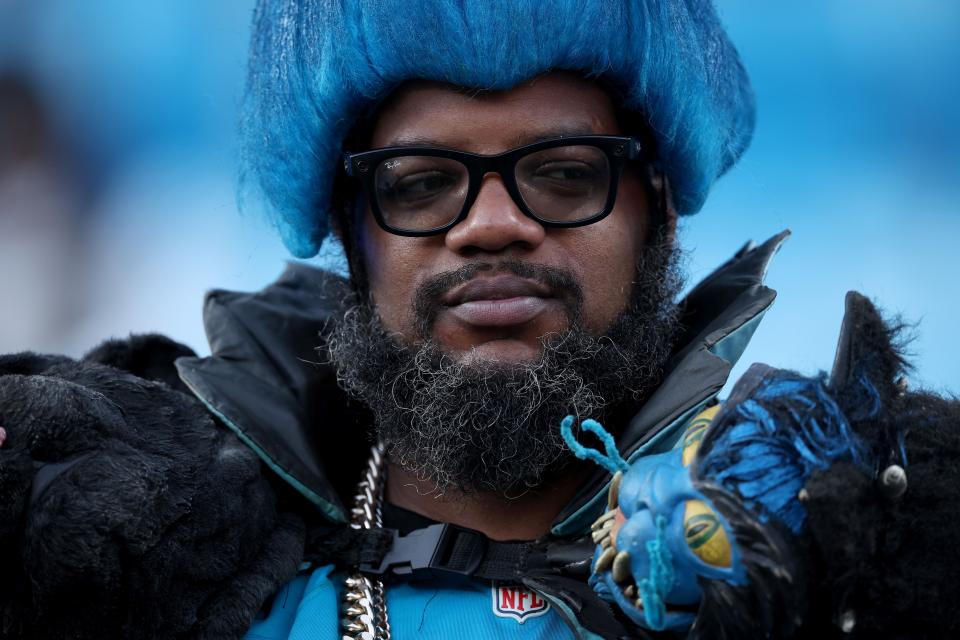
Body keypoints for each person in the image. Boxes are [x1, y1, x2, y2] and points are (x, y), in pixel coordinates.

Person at [4, 1, 956, 639]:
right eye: (420, 186)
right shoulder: (166, 564)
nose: (494, 225)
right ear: (349, 231)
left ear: (657, 210)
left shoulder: (816, 554)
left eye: (565, 173)